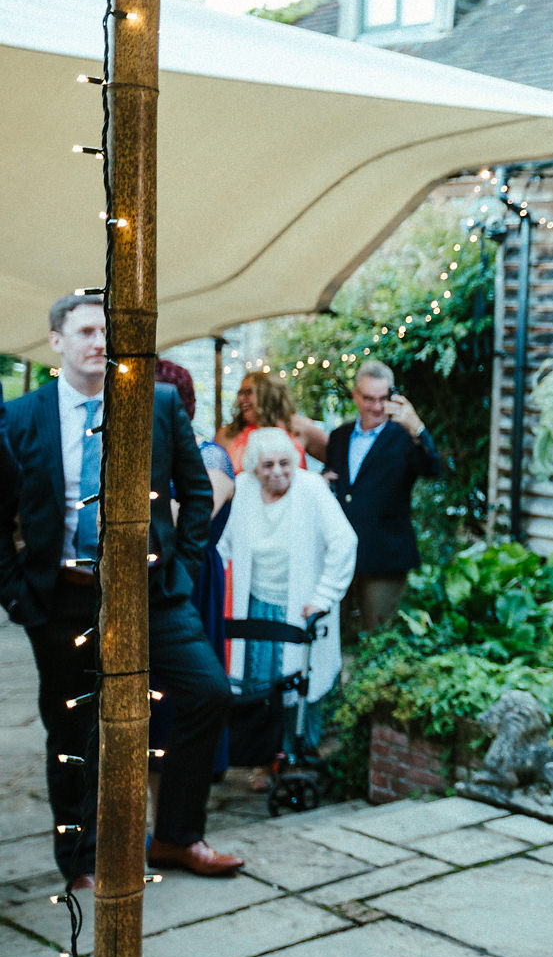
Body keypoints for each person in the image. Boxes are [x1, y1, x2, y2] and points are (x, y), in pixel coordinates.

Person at [0, 293, 242, 888]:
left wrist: (180, 569)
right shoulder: (23, 415)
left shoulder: (156, 405)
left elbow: (198, 494)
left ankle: (177, 837)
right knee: (73, 729)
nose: (98, 342)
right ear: (57, 342)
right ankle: (82, 863)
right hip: (62, 597)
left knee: (208, 692)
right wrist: (14, 592)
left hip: (152, 595)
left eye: (105, 331)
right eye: (84, 331)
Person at [217, 427, 356, 786]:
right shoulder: (244, 488)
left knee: (299, 684)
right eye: (267, 465)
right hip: (257, 604)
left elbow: (344, 543)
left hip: (301, 605)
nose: (277, 472)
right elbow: (223, 544)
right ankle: (262, 760)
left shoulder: (312, 489)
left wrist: (324, 596)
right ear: (253, 467)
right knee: (259, 687)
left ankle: (295, 757)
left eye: (284, 463)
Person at [151, 358, 236, 782]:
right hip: (149, 585)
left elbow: (197, 510)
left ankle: (180, 811)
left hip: (193, 580)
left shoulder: (211, 455)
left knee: (190, 694)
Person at [323, 360, 440, 639]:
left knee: (378, 638)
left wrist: (418, 428)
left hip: (385, 555)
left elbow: (433, 469)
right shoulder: (339, 436)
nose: (376, 407)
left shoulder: (403, 437)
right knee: (333, 635)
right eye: (368, 399)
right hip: (341, 552)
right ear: (355, 396)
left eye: (382, 399)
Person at [216, 370, 327, 472]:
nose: (241, 399)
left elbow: (338, 459)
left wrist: (321, 481)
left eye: (248, 392)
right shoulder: (226, 434)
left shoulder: (299, 427)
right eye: (240, 393)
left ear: (268, 395)